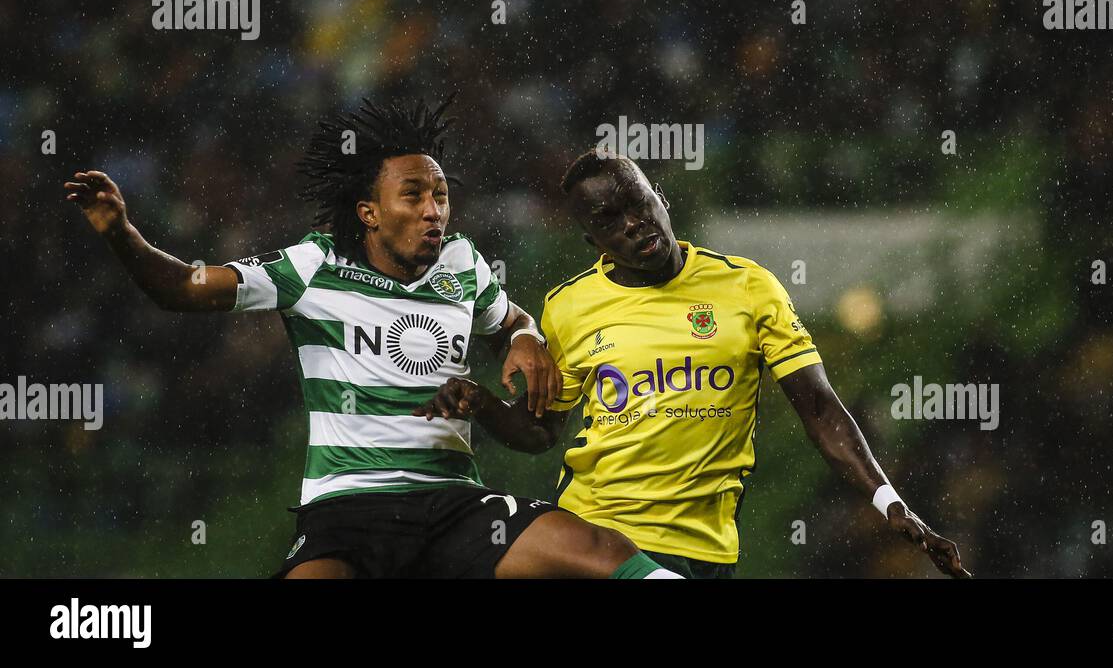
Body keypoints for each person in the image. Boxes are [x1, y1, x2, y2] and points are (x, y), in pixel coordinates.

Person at [65, 99, 680, 579]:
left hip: (453, 506)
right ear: (369, 211)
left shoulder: (463, 265)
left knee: (599, 551)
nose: (434, 209)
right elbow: (183, 288)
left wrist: (525, 337)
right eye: (413, 195)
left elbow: (514, 321)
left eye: (440, 195)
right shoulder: (313, 266)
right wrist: (122, 232)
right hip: (348, 509)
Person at [416, 150, 971, 578]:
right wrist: (482, 403)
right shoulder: (570, 306)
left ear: (659, 196)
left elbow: (821, 410)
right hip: (595, 532)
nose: (633, 224)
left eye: (638, 204)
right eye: (611, 221)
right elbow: (543, 431)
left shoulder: (749, 287)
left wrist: (890, 502)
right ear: (594, 240)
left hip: (702, 548)